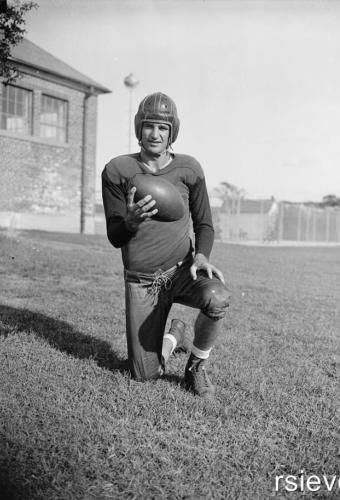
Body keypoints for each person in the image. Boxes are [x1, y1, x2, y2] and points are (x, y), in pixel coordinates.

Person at [102, 92, 230, 398]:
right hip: (143, 280)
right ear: (138, 129)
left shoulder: (188, 168)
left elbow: (204, 223)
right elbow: (115, 236)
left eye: (162, 127)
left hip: (182, 269)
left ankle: (196, 368)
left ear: (172, 130)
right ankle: (175, 335)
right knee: (144, 375)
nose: (155, 134)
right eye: (149, 126)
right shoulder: (117, 171)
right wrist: (131, 221)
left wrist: (201, 255)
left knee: (217, 297)